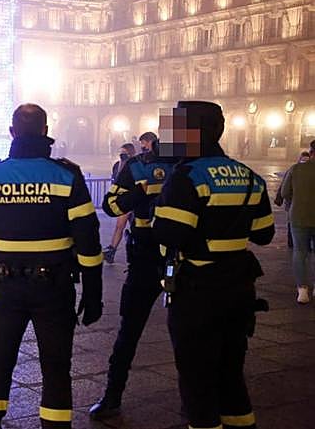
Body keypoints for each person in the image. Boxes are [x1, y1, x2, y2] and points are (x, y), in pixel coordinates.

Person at [0, 104, 103, 429]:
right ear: (45, 131)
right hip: (54, 289)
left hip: (6, 289)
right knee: (56, 368)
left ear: (11, 132)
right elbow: (88, 238)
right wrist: (94, 292)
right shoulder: (67, 176)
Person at [152, 101, 275, 429]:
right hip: (239, 287)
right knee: (232, 373)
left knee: (196, 378)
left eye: (174, 128)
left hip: (197, 290)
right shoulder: (250, 176)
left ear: (193, 133)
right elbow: (264, 234)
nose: (168, 135)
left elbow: (169, 234)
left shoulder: (185, 177)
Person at [89, 131, 175, 419]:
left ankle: (112, 397)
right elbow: (111, 206)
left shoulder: (146, 165)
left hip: (165, 257)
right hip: (159, 257)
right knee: (134, 329)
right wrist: (140, 193)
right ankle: (113, 394)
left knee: (170, 327)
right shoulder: (143, 165)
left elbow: (110, 205)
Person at [281, 140, 315, 304]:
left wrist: (296, 202)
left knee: (300, 252)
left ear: (311, 151)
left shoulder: (296, 169)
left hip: (299, 217)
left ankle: (302, 291)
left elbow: (285, 192)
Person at [102, 143, 137, 263]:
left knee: (130, 226)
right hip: (122, 199)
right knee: (120, 226)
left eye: (125, 153)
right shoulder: (117, 165)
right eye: (121, 153)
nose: (122, 155)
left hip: (131, 198)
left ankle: (115, 249)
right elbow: (116, 180)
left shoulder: (135, 165)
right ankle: (112, 250)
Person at [274, 151, 310, 249]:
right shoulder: (295, 170)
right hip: (296, 205)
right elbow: (283, 188)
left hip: (294, 205)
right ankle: (294, 242)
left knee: (293, 223)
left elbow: (284, 189)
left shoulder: (293, 170)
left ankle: (293, 243)